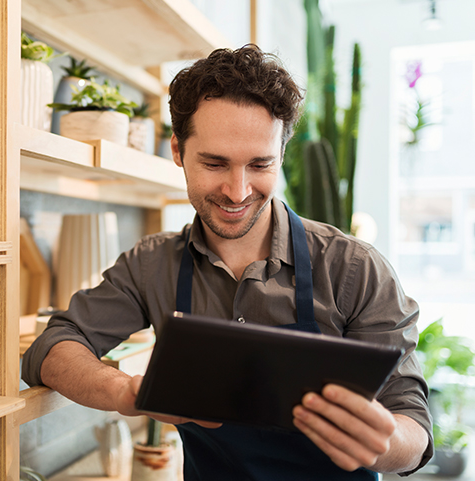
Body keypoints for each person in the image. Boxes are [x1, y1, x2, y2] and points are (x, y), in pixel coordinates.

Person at [22, 45, 432, 480]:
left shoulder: (354, 268)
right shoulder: (151, 264)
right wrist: (125, 391)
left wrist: (385, 441)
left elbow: (412, 426)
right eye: (215, 163)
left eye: (260, 164)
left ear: (281, 154)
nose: (237, 191)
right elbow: (53, 346)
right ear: (178, 151)